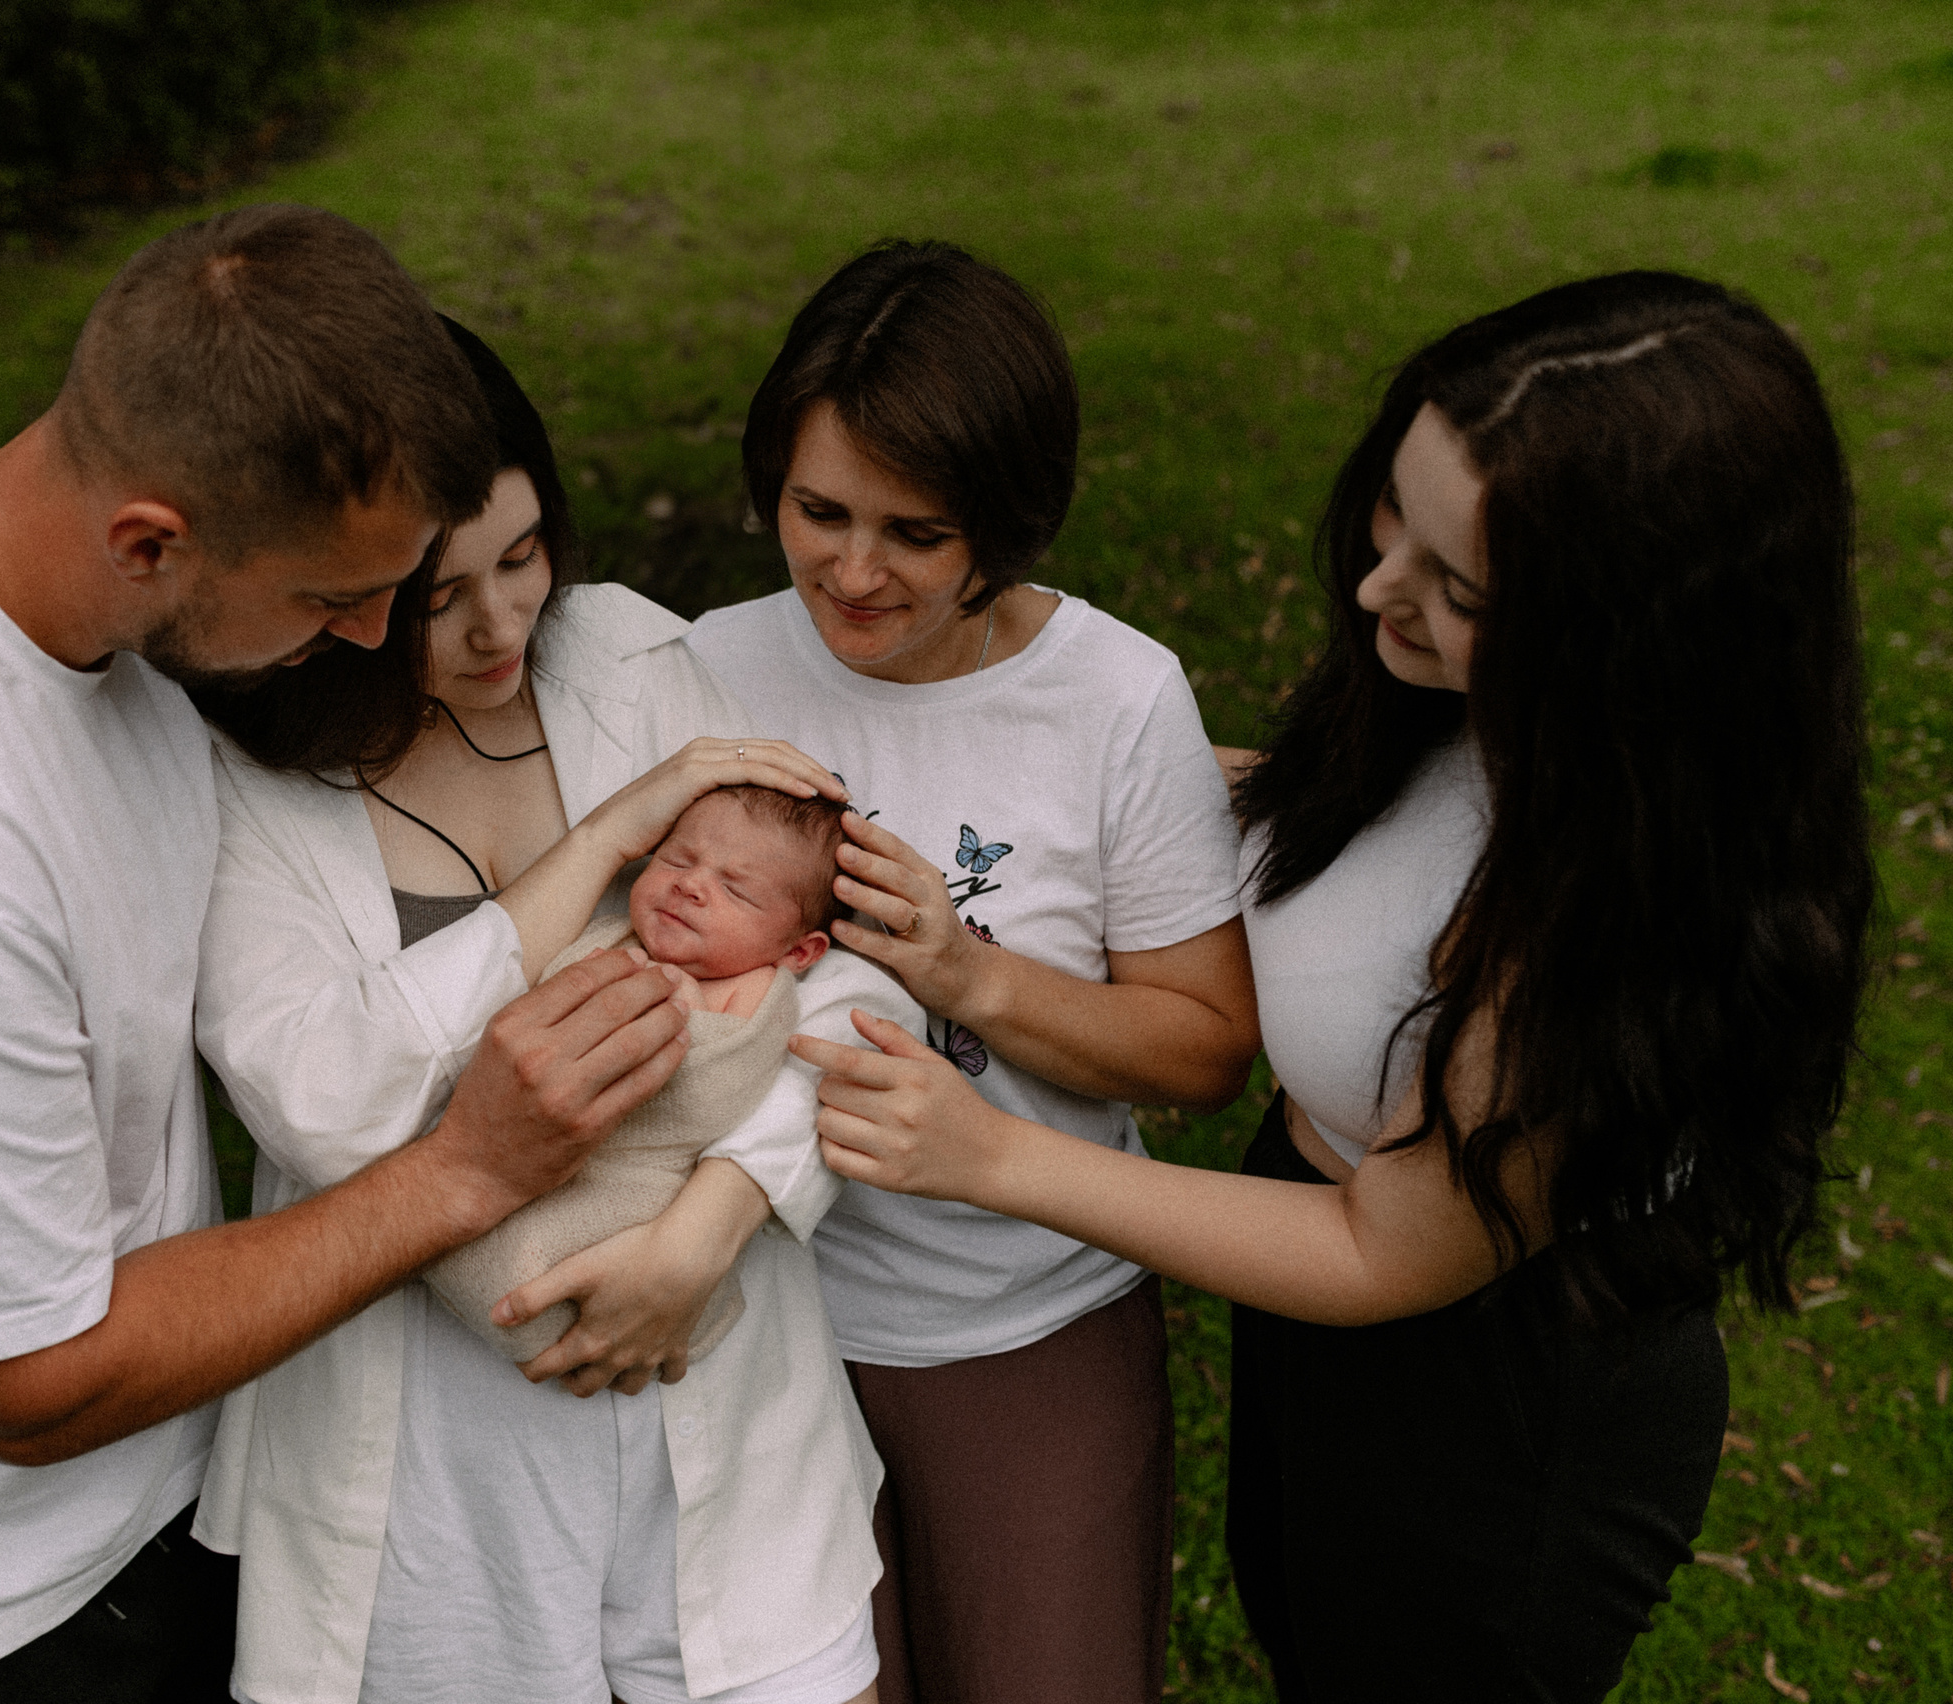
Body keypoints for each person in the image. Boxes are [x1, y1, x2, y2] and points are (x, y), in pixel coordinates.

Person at [0, 206, 701, 1702]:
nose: (382, 634)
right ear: (150, 541)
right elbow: (23, 1384)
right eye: (337, 598)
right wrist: (468, 1172)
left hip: (138, 1518)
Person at [798, 271, 1872, 1703]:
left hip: (1488, 1401)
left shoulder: (1607, 908)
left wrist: (992, 1154)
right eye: (1391, 516)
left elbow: (1390, 1252)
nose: (1378, 591)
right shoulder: (1448, 713)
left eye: (1460, 586)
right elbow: (1263, 820)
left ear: (1629, 634)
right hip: (1315, 1314)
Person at [186, 319, 916, 1704]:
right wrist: (599, 845)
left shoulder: (626, 655)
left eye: (523, 556)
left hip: (720, 1392)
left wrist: (707, 1233)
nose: (502, 624)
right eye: (436, 592)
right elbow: (324, 1103)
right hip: (426, 1468)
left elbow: (851, 965)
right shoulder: (245, 780)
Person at [685, 240, 1262, 1704]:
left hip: (1024, 1325)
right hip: (755, 1335)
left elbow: (1201, 1053)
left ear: (1004, 523)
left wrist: (969, 974)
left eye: (916, 533)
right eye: (817, 511)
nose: (852, 570)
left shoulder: (1114, 698)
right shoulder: (700, 670)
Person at [428, 783, 852, 1365]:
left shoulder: (756, 990)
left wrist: (674, 1011)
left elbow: (716, 1088)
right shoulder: (609, 937)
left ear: (799, 953)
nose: (690, 884)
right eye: (678, 858)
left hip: (641, 1182)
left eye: (736, 889)